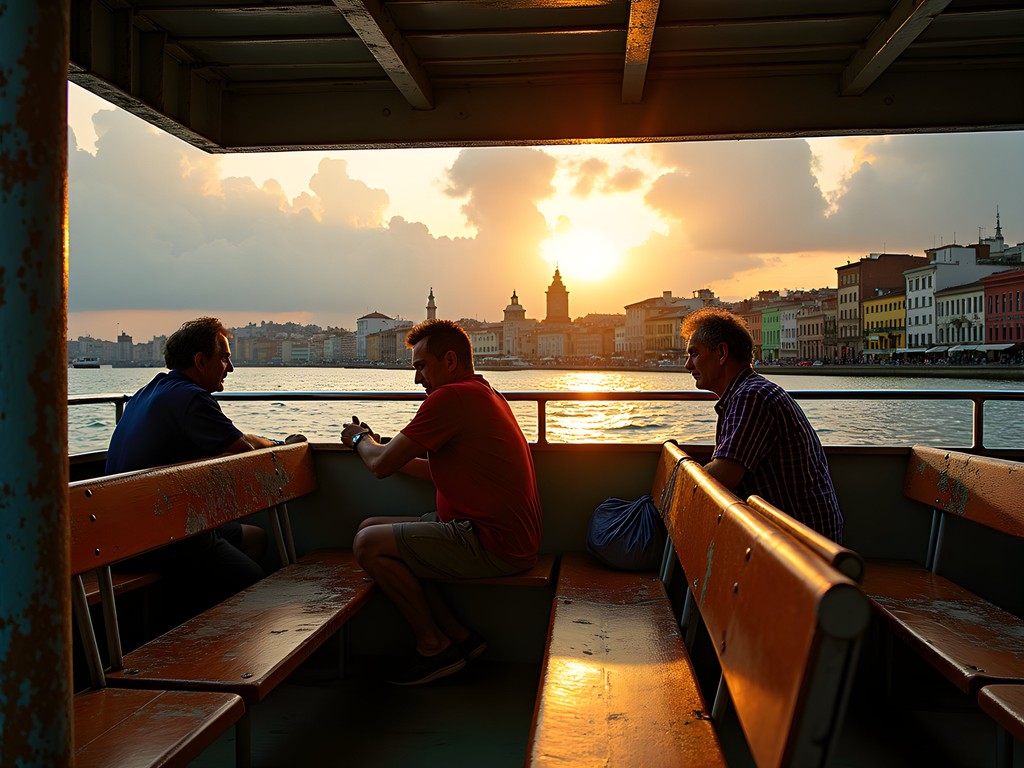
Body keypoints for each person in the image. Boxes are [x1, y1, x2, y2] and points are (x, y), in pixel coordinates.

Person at [341, 319, 543, 686]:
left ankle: (433, 646)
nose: (418, 379)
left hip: (491, 543)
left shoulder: (450, 398)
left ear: (449, 361)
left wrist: (360, 439)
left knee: (367, 545)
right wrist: (392, 453)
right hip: (503, 537)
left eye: (421, 366)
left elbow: (379, 465)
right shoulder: (484, 392)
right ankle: (462, 637)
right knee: (370, 527)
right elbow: (439, 471)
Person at [106, 317, 299, 623]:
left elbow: (233, 442)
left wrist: (263, 443)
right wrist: (279, 445)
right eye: (224, 358)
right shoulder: (190, 397)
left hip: (139, 526)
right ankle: (205, 643)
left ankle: (204, 620)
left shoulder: (150, 391)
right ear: (200, 361)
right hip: (160, 536)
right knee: (255, 582)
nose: (230, 368)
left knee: (255, 538)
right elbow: (244, 452)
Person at [681, 307, 843, 542]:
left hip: (802, 547)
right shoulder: (746, 393)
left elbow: (723, 476)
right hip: (792, 536)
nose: (688, 365)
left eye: (694, 354)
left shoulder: (752, 396)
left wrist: (680, 486)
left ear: (722, 353)